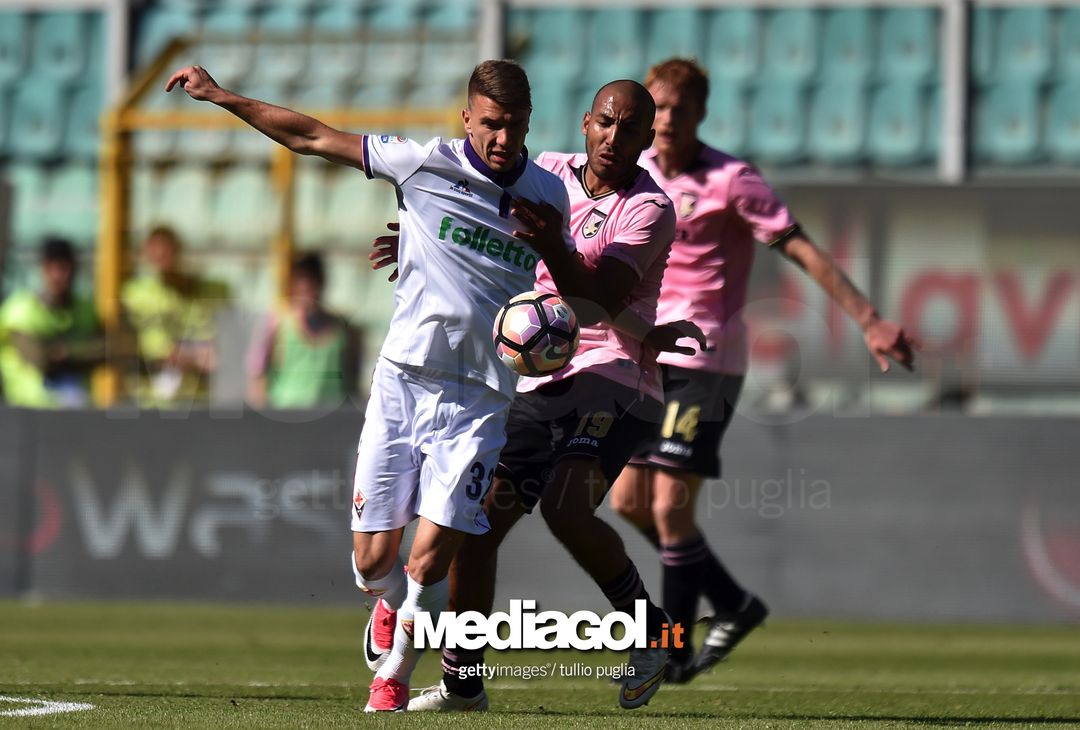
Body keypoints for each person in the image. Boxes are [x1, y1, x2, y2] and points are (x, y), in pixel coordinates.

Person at [167, 59, 592, 712]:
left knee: (432, 555)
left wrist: (555, 259)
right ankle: (391, 607)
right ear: (467, 118)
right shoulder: (424, 164)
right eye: (492, 125)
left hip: (481, 397)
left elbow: (570, 289)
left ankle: (393, 676)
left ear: (530, 123)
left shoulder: (548, 194)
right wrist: (219, 96)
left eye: (515, 126)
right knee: (373, 563)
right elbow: (312, 136)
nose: (504, 139)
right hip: (402, 383)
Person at [368, 81, 705, 712]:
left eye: (631, 129)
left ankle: (652, 629)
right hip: (541, 375)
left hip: (616, 375)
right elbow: (463, 215)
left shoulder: (649, 210)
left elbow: (597, 302)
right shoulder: (545, 174)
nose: (615, 137)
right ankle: (464, 683)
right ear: (585, 122)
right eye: (606, 122)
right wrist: (419, 244)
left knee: (565, 506)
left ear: (646, 138)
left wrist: (553, 242)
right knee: (478, 523)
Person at [608, 59, 919, 682]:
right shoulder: (632, 177)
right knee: (628, 502)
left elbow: (800, 246)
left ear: (700, 114)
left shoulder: (732, 179)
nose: (666, 119)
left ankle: (671, 651)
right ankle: (733, 603)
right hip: (643, 352)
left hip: (707, 358)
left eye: (679, 109)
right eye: (658, 107)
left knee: (670, 504)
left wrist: (866, 318)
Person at [120, 226, 231, 406]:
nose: (162, 254)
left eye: (166, 248)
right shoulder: (138, 295)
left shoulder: (207, 292)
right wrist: (195, 357)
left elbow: (220, 343)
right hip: (153, 399)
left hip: (200, 396)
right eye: (156, 249)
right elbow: (158, 351)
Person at [246, 252, 361, 409]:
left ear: (322, 282)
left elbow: (353, 377)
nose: (307, 286)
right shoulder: (277, 323)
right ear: (293, 284)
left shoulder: (343, 329)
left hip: (332, 420)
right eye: (301, 279)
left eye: (312, 280)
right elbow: (257, 372)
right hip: (286, 416)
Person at [0, 238, 102, 407]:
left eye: (63, 268)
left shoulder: (85, 309)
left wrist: (66, 352)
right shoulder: (20, 309)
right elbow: (39, 359)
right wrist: (80, 353)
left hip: (75, 411)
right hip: (27, 412)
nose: (58, 276)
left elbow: (104, 351)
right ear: (42, 269)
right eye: (51, 268)